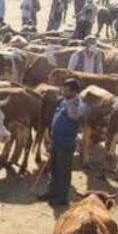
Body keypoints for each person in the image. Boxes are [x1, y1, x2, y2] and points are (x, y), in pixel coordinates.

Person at [40, 78, 84, 207]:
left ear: (74, 91)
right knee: (53, 169)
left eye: (66, 90)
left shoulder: (77, 103)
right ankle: (51, 192)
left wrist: (71, 102)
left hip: (66, 142)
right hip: (56, 139)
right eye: (63, 89)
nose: (63, 91)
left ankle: (61, 197)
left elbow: (73, 116)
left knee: (63, 171)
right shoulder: (64, 101)